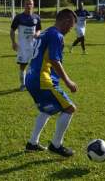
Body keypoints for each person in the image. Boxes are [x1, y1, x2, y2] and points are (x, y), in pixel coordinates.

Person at [25, 9, 78, 157]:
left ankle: (32, 143)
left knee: (46, 110)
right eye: (71, 26)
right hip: (43, 80)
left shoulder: (45, 32)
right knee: (69, 109)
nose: (70, 30)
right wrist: (68, 81)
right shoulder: (56, 35)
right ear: (66, 21)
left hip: (31, 78)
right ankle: (56, 145)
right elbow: (54, 60)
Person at [10, 0, 41, 91]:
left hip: (34, 46)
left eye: (30, 4)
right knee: (23, 66)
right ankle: (23, 84)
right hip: (22, 46)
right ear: (24, 5)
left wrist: (37, 33)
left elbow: (39, 29)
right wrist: (13, 42)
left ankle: (34, 83)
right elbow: (12, 30)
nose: (28, 6)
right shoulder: (19, 17)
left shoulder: (36, 17)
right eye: (27, 4)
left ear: (33, 5)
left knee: (35, 65)